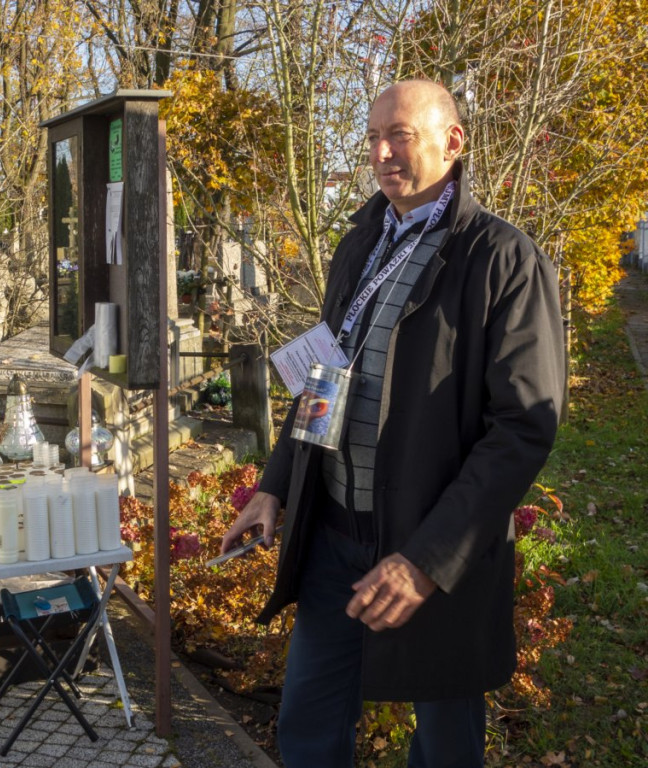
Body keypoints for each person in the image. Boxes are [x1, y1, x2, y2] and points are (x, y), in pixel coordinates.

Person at [220, 79, 566, 767]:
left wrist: (428, 562)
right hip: (335, 537)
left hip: (433, 553)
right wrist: (278, 486)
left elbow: (522, 430)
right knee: (308, 731)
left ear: (453, 142)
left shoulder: (501, 260)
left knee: (445, 747)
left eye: (399, 135)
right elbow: (325, 377)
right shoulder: (361, 243)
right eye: (373, 138)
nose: (381, 153)